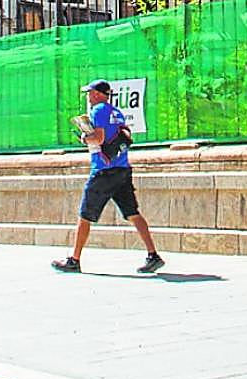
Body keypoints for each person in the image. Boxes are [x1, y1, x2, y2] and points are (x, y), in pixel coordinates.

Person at [52, 80, 164, 274]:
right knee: (132, 213)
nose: (88, 96)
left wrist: (85, 138)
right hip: (122, 169)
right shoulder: (116, 112)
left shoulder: (98, 110)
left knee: (85, 214)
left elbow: (99, 138)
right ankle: (152, 254)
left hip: (103, 171)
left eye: (90, 92)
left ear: (96, 93)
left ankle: (74, 259)